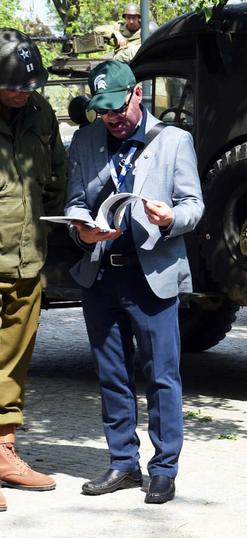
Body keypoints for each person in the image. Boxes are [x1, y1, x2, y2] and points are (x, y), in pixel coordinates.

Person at [64, 60, 204, 504]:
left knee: (161, 375)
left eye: (118, 109)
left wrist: (169, 220)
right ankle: (122, 462)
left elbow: (194, 206)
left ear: (137, 94)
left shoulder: (175, 141)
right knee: (111, 374)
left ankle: (164, 468)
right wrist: (81, 230)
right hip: (101, 273)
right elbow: (73, 202)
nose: (113, 120)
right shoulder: (85, 141)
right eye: (103, 112)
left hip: (152, 276)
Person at [0, 29, 66, 512]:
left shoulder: (42, 114)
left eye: (29, 83)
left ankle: (2, 452)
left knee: (12, 368)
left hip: (26, 262)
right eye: (14, 84)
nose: (23, 91)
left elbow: (56, 180)